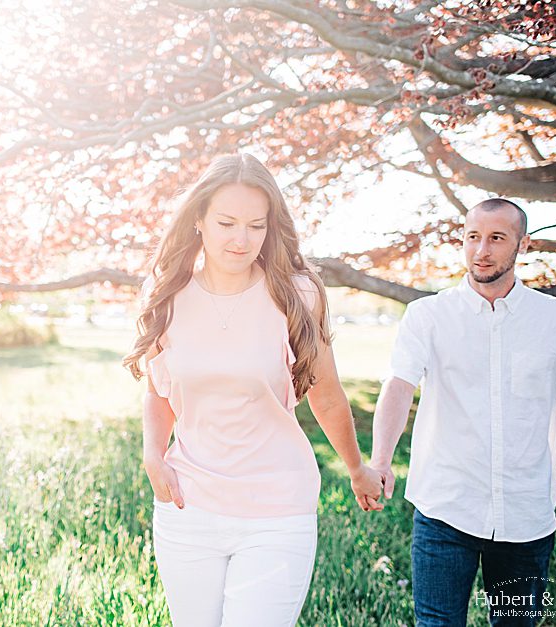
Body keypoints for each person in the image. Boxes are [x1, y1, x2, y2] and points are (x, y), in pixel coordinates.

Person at [122, 154, 384, 627]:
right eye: (226, 223)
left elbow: (326, 394)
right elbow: (159, 390)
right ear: (198, 220)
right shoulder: (164, 293)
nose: (241, 240)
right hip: (189, 505)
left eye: (255, 225)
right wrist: (152, 455)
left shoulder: (297, 293)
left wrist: (356, 467)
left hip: (277, 508)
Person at [370, 198, 556, 627]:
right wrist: (381, 459)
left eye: (496, 238)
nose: (481, 250)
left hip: (526, 514)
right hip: (445, 508)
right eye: (472, 237)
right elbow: (399, 386)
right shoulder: (428, 316)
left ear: (523, 244)